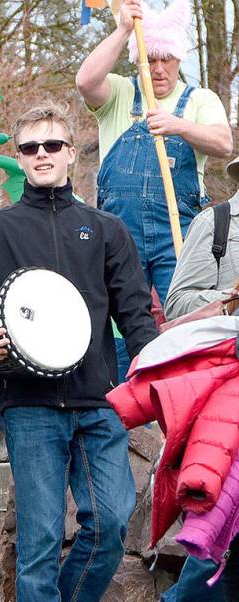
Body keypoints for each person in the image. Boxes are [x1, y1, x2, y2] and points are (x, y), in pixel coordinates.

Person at [0, 103, 159, 601]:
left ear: (71, 153)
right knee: (38, 544)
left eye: (52, 144)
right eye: (30, 147)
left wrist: (156, 378)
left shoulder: (106, 229)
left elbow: (136, 316)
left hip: (99, 403)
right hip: (28, 406)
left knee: (110, 525)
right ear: (20, 158)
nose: (42, 154)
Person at [76, 0, 232, 306]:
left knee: (183, 313)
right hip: (120, 231)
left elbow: (223, 144)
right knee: (119, 316)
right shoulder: (120, 92)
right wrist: (124, 29)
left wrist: (179, 126)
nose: (159, 68)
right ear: (139, 59)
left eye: (167, 58)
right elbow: (85, 82)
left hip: (178, 232)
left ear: (179, 59)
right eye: (151, 58)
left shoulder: (200, 99)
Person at [154, 157, 239, 602]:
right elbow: (178, 303)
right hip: (223, 404)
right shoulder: (216, 223)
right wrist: (231, 298)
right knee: (215, 536)